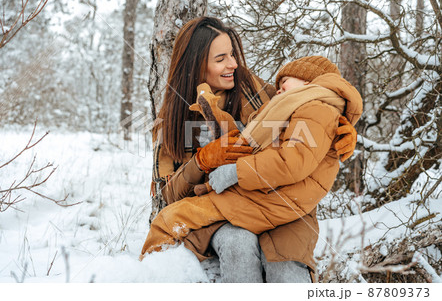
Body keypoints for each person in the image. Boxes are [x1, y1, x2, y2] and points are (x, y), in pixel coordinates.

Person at [147, 17, 359, 283]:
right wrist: (200, 162)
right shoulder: (173, 119)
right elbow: (169, 194)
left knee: (286, 266)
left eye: (233, 54)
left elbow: (306, 107)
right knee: (238, 244)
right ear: (196, 64)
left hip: (282, 203)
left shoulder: (252, 88)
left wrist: (339, 131)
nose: (233, 64)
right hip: (222, 210)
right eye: (221, 58)